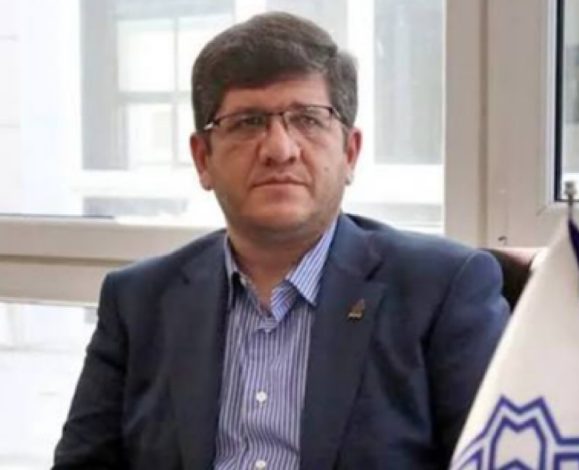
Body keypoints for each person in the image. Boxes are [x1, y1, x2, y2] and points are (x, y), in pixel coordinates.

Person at [53, 11, 509, 470]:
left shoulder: (442, 290)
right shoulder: (139, 301)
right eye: (247, 122)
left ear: (350, 153)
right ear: (202, 159)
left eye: (308, 119)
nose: (279, 149)